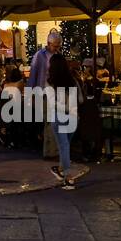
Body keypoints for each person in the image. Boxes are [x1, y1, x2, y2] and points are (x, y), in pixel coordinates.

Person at [47, 54, 81, 188]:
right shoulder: (73, 81)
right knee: (66, 146)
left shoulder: (50, 82)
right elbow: (81, 100)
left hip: (59, 116)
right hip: (73, 117)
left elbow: (52, 102)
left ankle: (68, 177)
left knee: (64, 146)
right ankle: (61, 170)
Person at [30, 29, 61, 160]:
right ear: (48, 43)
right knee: (50, 121)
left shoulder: (58, 55)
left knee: (51, 121)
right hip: (43, 92)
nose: (57, 48)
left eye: (59, 46)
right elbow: (33, 74)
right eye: (55, 46)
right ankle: (50, 152)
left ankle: (50, 151)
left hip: (54, 92)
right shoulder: (39, 55)